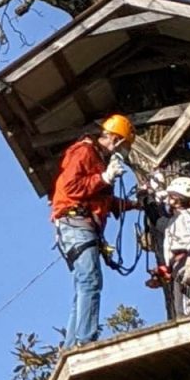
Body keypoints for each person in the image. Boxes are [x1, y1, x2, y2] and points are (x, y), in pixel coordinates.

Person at [50, 114, 140, 348]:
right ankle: (85, 341)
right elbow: (71, 187)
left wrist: (135, 204)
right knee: (90, 281)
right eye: (124, 146)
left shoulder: (98, 159)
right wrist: (104, 177)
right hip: (75, 224)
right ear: (115, 139)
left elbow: (102, 201)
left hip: (80, 225)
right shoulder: (85, 152)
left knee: (83, 285)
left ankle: (72, 346)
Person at [161, 176, 190, 317]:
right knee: (179, 302)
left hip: (184, 263)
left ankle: (189, 321)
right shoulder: (175, 219)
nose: (168, 201)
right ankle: (184, 320)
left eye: (171, 197)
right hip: (177, 264)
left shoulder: (186, 218)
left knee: (186, 305)